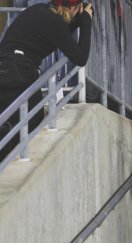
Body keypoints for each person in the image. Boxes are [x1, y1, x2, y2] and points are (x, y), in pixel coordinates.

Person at [0, 0, 93, 160]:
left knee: (11, 129)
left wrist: (80, 19)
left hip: (6, 71)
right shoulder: (54, 22)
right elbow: (80, 57)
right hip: (18, 74)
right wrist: (86, 22)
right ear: (74, 8)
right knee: (34, 126)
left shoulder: (41, 11)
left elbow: (61, 35)